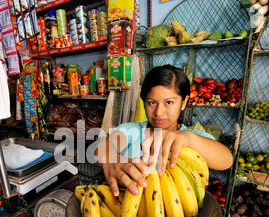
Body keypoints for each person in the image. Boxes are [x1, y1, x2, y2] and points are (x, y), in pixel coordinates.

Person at [95, 64, 233, 197]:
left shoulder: (193, 139)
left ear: (184, 102)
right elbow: (101, 148)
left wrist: (188, 138)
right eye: (152, 103)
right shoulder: (131, 131)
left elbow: (226, 160)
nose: (159, 112)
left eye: (168, 103)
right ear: (144, 102)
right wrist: (111, 159)